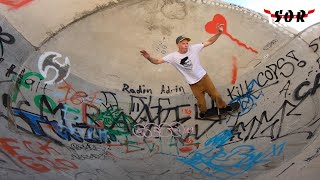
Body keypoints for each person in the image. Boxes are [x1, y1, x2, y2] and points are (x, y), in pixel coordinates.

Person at [140, 24, 232, 118]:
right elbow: (157, 61)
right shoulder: (173, 56)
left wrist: (219, 33)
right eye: (183, 43)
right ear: (178, 45)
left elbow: (209, 41)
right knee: (200, 101)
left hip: (204, 77)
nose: (186, 45)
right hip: (193, 83)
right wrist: (148, 58)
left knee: (215, 94)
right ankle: (204, 112)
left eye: (187, 43)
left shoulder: (194, 48)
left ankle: (223, 106)